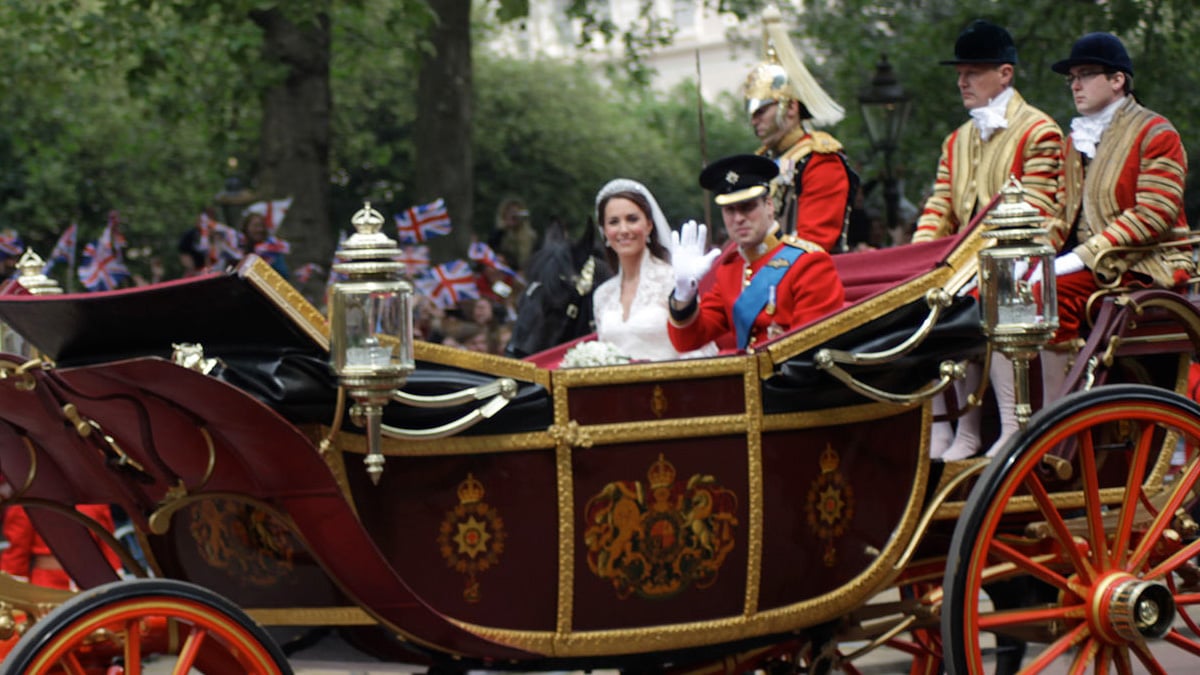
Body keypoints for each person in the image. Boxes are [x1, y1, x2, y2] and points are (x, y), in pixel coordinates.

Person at [915, 19, 1065, 460]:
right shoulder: (955, 140)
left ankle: (1012, 423)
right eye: (960, 73)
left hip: (1021, 261)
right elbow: (939, 207)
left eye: (973, 72)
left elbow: (1037, 213)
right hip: (963, 263)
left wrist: (963, 263)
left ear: (1005, 73)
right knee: (921, 297)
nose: (962, 81)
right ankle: (956, 428)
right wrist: (923, 260)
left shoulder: (1039, 131)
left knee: (993, 290)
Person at [1039, 33, 1193, 370]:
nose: (1075, 85)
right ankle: (1013, 414)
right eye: (1072, 78)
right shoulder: (1075, 140)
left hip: (1144, 265)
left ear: (1117, 80)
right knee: (1006, 294)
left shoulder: (1156, 133)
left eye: (1085, 75)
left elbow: (1155, 214)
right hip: (1095, 267)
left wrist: (1080, 258)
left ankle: (1054, 413)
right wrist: (1035, 257)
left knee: (1046, 295)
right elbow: (1060, 212)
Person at [668, 155, 845, 353]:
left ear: (769, 205)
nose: (739, 218)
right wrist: (684, 294)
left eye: (748, 207)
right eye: (729, 210)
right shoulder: (730, 269)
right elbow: (687, 341)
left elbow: (811, 351)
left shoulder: (810, 263)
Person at [742, 6, 856, 253]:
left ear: (791, 107)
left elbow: (814, 242)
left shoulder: (820, 159)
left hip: (806, 278)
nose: (754, 121)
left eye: (761, 111)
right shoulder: (760, 161)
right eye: (751, 113)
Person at [592, 179, 716, 361]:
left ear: (649, 225)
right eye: (614, 222)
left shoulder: (674, 281)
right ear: (604, 230)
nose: (623, 229)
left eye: (632, 219)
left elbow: (699, 349)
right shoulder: (602, 295)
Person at [488, 197, 538, 273]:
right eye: (510, 212)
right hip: (502, 274)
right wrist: (503, 229)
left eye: (516, 212)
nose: (514, 216)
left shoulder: (531, 236)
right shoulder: (498, 234)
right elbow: (490, 251)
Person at [240, 210, 290, 279]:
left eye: (262, 226)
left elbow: (283, 274)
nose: (260, 230)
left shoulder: (272, 248)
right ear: (246, 228)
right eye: (255, 226)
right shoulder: (238, 247)